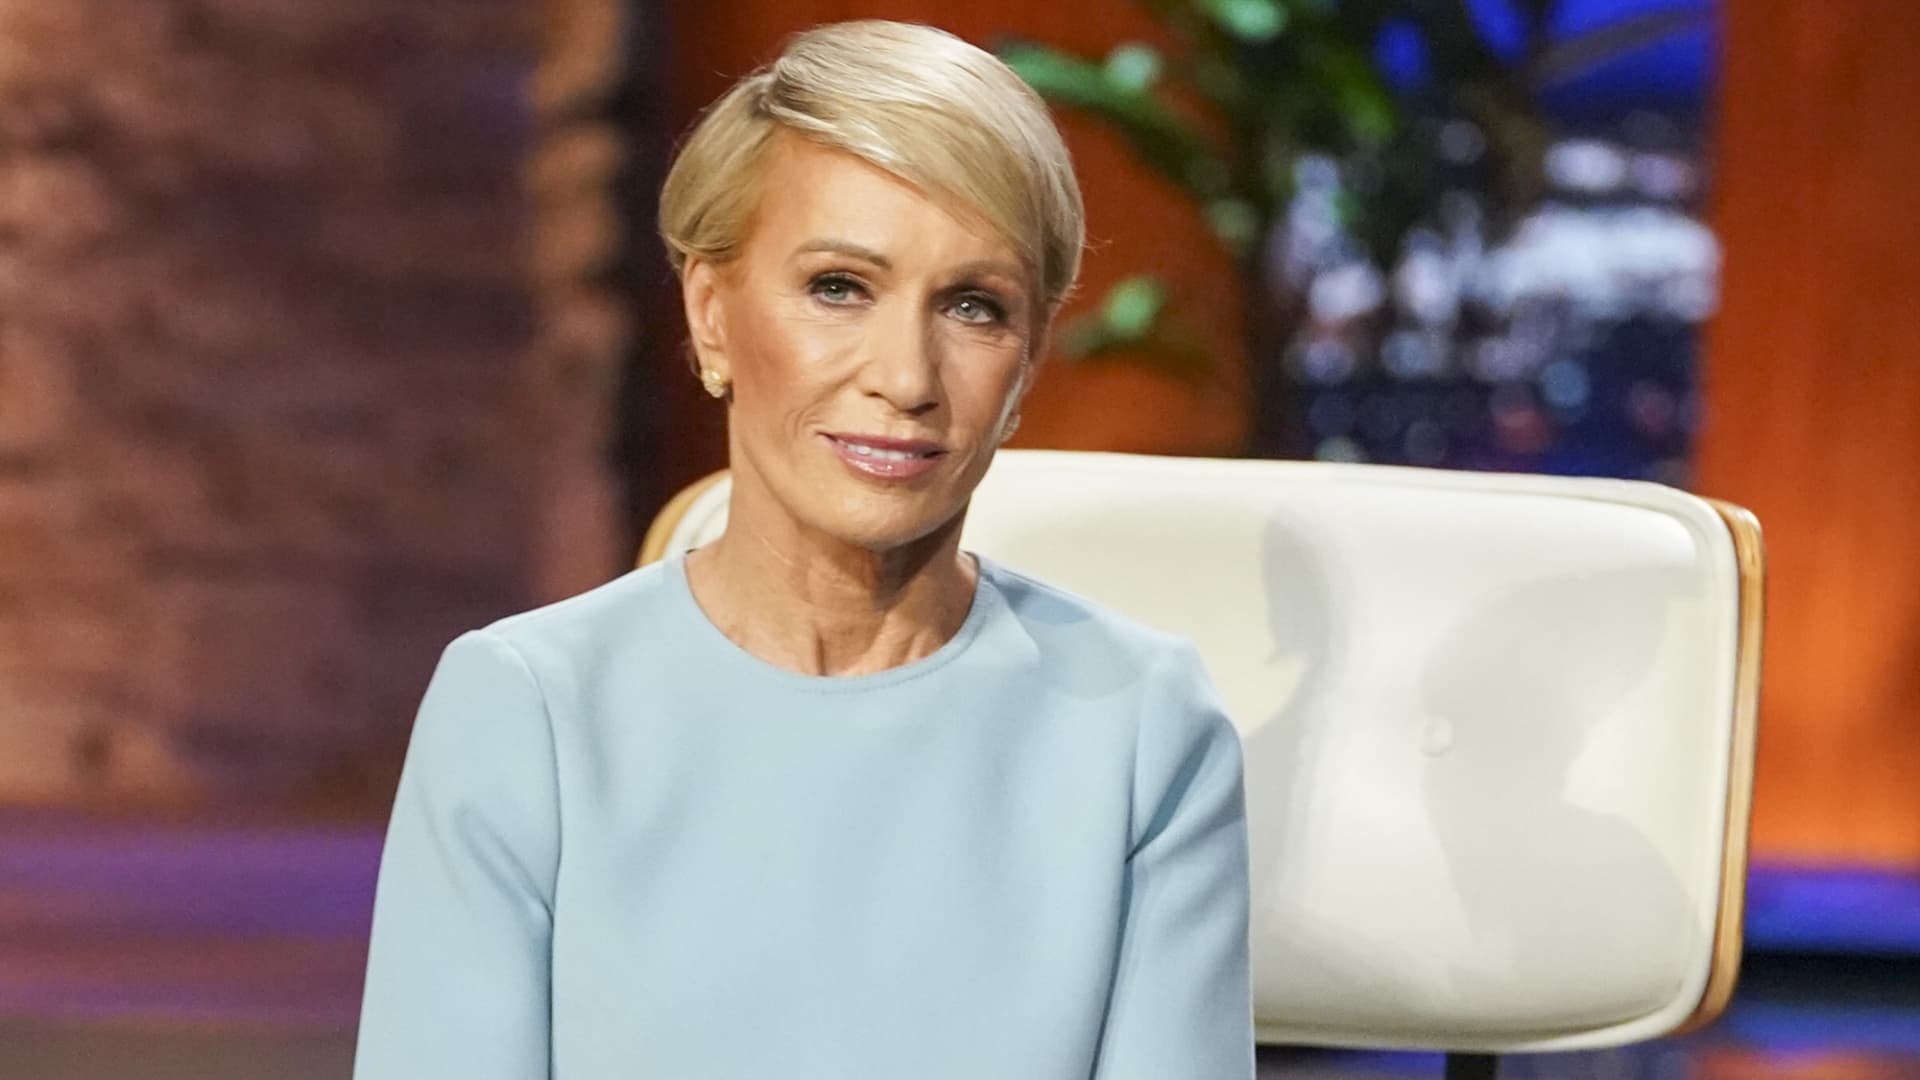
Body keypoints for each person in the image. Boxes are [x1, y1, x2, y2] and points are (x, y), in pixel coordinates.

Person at [353, 19, 1252, 1080]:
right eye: (839, 286)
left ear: (1026, 363)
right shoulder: (528, 712)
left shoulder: (1145, 730)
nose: (905, 377)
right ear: (712, 314)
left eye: (974, 307)